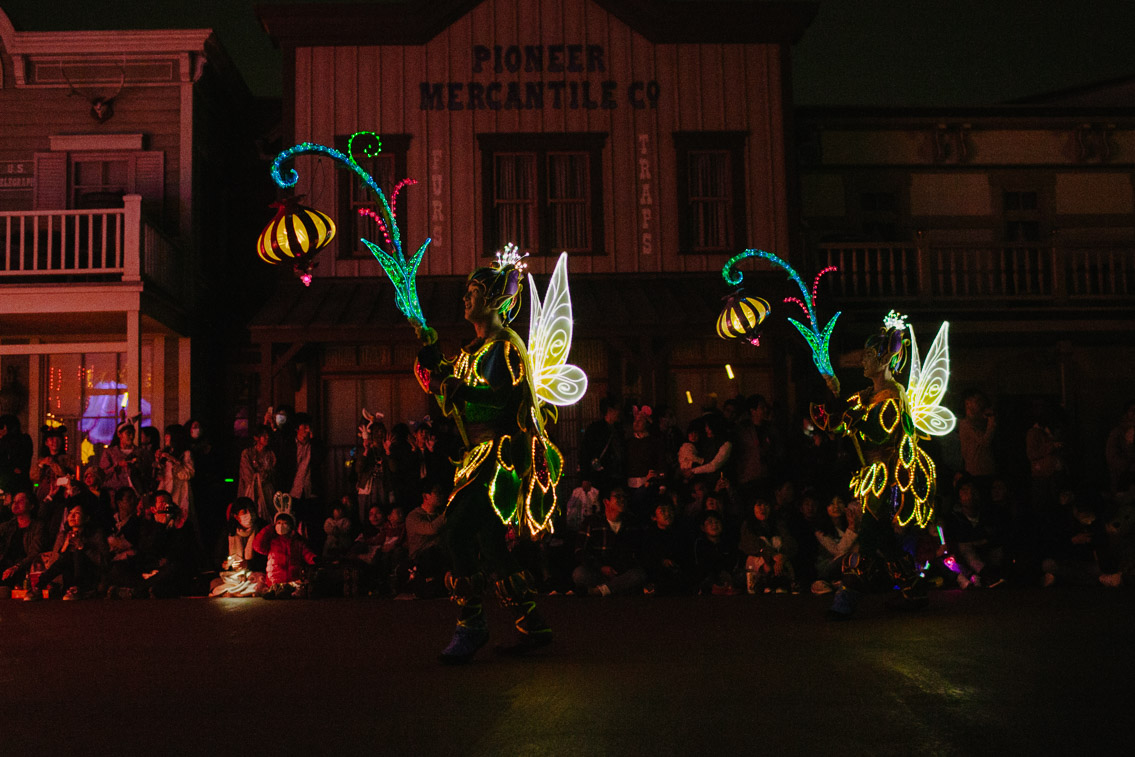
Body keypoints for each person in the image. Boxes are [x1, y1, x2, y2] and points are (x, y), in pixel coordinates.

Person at [412, 250, 566, 662]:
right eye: (466, 292)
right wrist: (429, 351)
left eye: (474, 292)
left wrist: (463, 391)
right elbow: (446, 390)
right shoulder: (471, 352)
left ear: (495, 300)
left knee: (454, 532)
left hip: (501, 456)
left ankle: (472, 623)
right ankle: (532, 623)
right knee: (489, 543)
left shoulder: (503, 347)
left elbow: (506, 398)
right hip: (477, 455)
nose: (466, 298)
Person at [813, 314, 937, 618]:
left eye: (868, 356)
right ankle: (913, 590)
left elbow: (877, 430)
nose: (862, 361)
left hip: (885, 477)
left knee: (867, 538)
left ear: (884, 360)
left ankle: (846, 599)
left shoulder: (892, 396)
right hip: (873, 475)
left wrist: (852, 419)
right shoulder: (869, 394)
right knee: (882, 537)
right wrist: (835, 392)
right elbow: (840, 425)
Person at [572, 486, 647, 597]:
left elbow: (638, 550)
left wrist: (623, 566)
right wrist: (601, 567)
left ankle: (601, 590)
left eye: (624, 497)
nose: (622, 500)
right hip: (599, 571)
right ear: (606, 501)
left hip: (622, 572)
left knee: (639, 575)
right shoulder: (592, 521)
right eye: (617, 496)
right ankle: (616, 588)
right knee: (579, 574)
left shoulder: (631, 522)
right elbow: (580, 550)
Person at [25, 503, 108, 601]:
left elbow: (104, 562)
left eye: (77, 513)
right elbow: (53, 562)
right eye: (70, 513)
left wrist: (83, 547)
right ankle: (39, 587)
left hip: (89, 577)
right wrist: (65, 546)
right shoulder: (63, 535)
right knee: (67, 556)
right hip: (68, 576)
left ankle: (76, 588)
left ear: (86, 518)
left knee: (77, 553)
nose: (72, 516)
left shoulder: (96, 534)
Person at [0, 490, 46, 590]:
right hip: (5, 563)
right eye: (14, 501)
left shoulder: (37, 526)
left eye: (20, 501)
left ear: (31, 506)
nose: (15, 504)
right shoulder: (6, 526)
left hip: (24, 565)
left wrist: (17, 566)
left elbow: (34, 552)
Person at [239, 424, 278, 522]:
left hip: (267, 493)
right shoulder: (247, 453)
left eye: (267, 435)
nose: (267, 437)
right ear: (256, 437)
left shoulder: (270, 455)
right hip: (250, 491)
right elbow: (248, 475)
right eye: (264, 435)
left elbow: (271, 473)